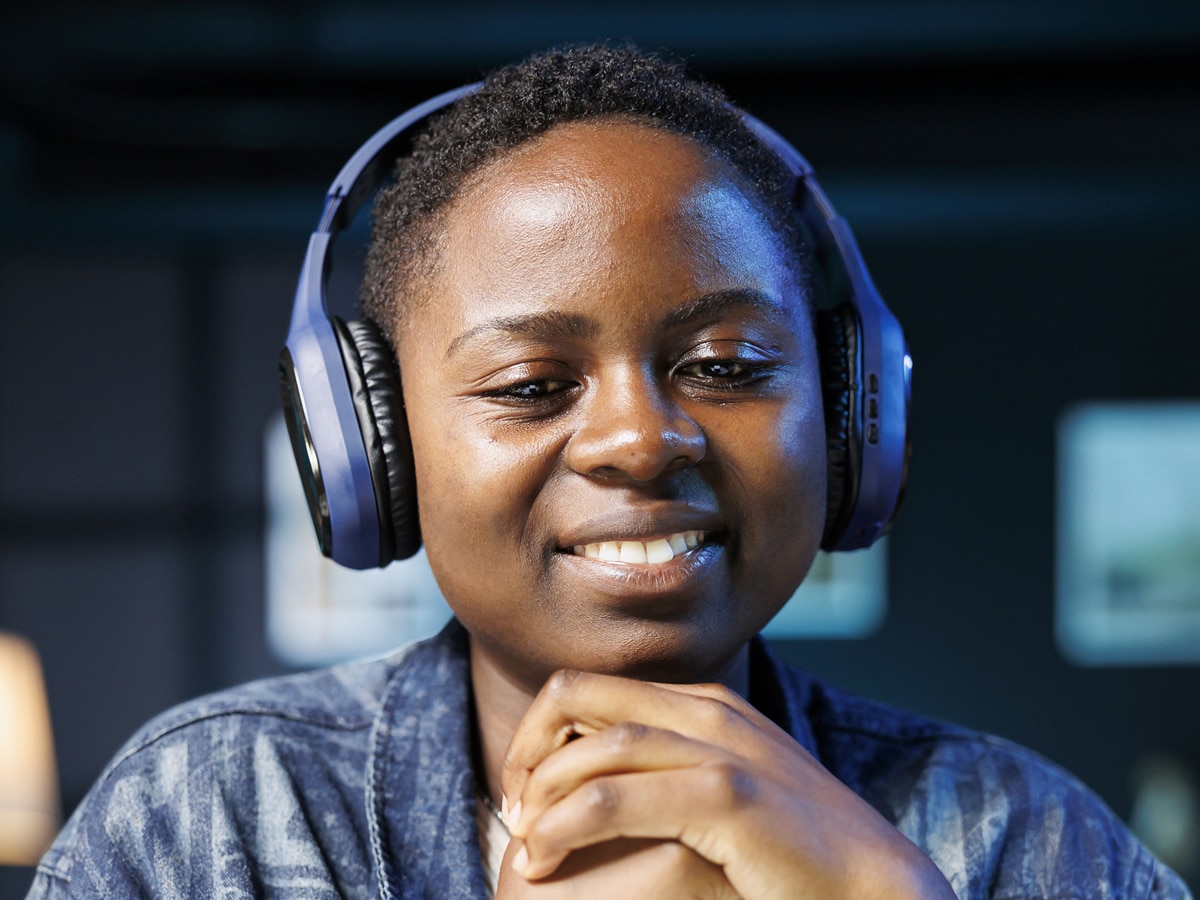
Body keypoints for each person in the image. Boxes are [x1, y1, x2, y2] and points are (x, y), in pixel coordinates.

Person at [28, 45, 1190, 899]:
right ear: (376, 449)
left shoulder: (1026, 843)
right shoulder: (207, 821)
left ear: (848, 421)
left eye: (728, 365)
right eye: (532, 384)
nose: (642, 439)